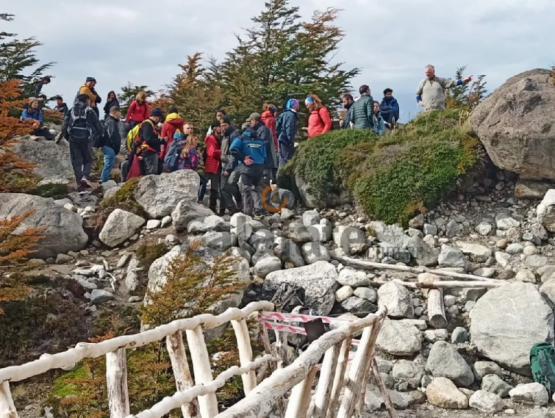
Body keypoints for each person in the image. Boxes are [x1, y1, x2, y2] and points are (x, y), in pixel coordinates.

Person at [61, 94, 104, 193]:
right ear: (87, 101)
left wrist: (68, 137)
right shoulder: (89, 111)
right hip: (86, 139)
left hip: (73, 138)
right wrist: (95, 137)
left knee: (76, 162)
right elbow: (99, 127)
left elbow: (64, 126)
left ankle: (80, 187)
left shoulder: (71, 110)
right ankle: (85, 176)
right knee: (88, 160)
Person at [230, 126, 266, 217]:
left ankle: (247, 213)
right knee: (256, 189)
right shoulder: (260, 140)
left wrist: (242, 158)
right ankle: (258, 211)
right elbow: (265, 155)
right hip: (259, 167)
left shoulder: (241, 138)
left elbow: (232, 149)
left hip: (247, 167)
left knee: (246, 189)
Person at [249, 112, 277, 213]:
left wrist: (253, 146)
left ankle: (265, 209)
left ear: (254, 121)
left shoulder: (263, 130)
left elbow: (264, 144)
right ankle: (263, 208)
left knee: (264, 185)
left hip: (264, 163)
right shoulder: (261, 129)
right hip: (261, 163)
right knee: (260, 185)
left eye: (251, 121)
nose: (250, 123)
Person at [220, 117, 241, 215]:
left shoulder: (234, 135)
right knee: (223, 187)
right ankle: (232, 208)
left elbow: (234, 153)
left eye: (225, 125)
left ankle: (239, 201)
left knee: (231, 183)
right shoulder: (224, 135)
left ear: (229, 124)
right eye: (221, 126)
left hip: (233, 165)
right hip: (224, 164)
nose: (223, 127)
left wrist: (229, 168)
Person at [136, 108, 164, 176]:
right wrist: (162, 140)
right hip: (149, 152)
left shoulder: (150, 124)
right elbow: (148, 139)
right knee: (151, 174)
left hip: (150, 152)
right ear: (154, 116)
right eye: (159, 118)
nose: (160, 120)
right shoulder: (147, 124)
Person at [204, 122, 224, 213]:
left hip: (220, 165)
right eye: (219, 126)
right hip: (214, 165)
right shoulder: (211, 139)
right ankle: (212, 207)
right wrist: (223, 151)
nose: (221, 128)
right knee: (215, 188)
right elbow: (212, 152)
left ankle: (221, 209)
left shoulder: (222, 137)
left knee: (222, 187)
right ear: (215, 128)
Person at [100, 106, 122, 183]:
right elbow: (113, 134)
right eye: (120, 113)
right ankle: (104, 181)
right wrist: (115, 147)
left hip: (107, 146)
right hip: (110, 146)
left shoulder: (107, 121)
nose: (120, 115)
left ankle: (103, 180)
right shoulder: (112, 122)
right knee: (108, 164)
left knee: (108, 164)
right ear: (116, 113)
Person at [276, 99, 299, 167]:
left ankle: (280, 176)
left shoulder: (284, 114)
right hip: (286, 141)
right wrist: (291, 141)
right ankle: (282, 176)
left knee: (282, 161)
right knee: (285, 162)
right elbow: (289, 128)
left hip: (281, 139)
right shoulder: (291, 115)